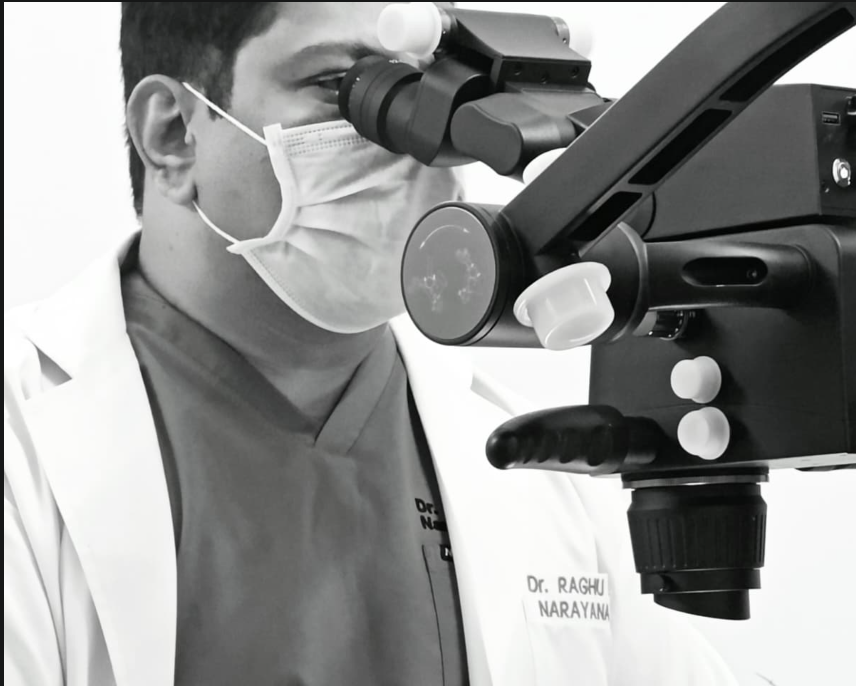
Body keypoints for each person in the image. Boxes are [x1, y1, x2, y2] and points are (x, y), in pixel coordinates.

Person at [4, 3, 744, 685]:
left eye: (434, 88)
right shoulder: (21, 437)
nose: (420, 140)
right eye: (344, 86)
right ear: (173, 133)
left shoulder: (535, 468)